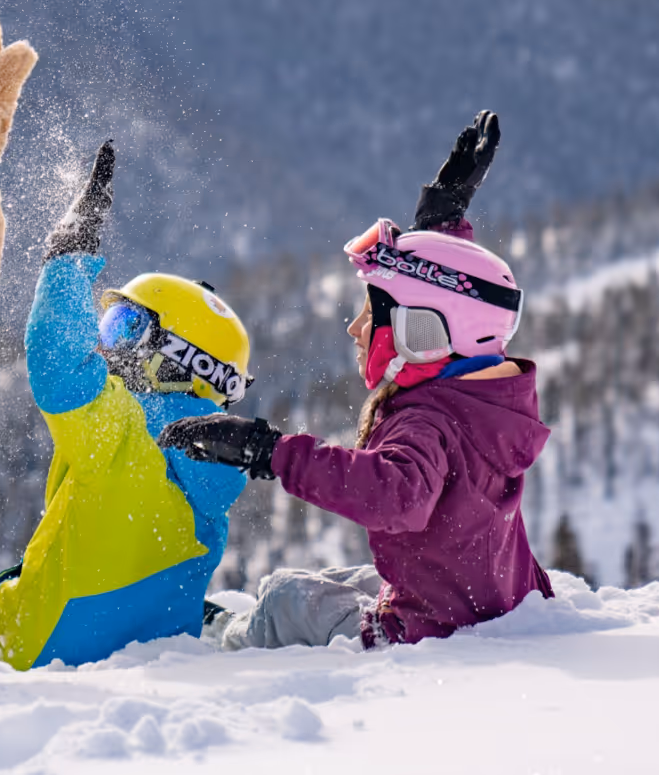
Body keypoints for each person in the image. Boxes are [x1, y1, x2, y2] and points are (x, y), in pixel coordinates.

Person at [163, 111, 554, 647]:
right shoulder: (489, 392)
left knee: (286, 600)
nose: (355, 328)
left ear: (422, 330)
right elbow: (455, 301)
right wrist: (440, 221)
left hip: (431, 632)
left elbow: (396, 496)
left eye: (373, 316)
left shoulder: (426, 420)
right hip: (483, 598)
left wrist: (268, 450)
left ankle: (230, 641)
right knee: (348, 581)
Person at [0, 141, 258, 668]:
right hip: (128, 644)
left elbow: (60, 367)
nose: (106, 343)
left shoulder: (126, 439)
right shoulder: (215, 475)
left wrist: (68, 254)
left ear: (174, 363)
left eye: (125, 329)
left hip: (23, 652)